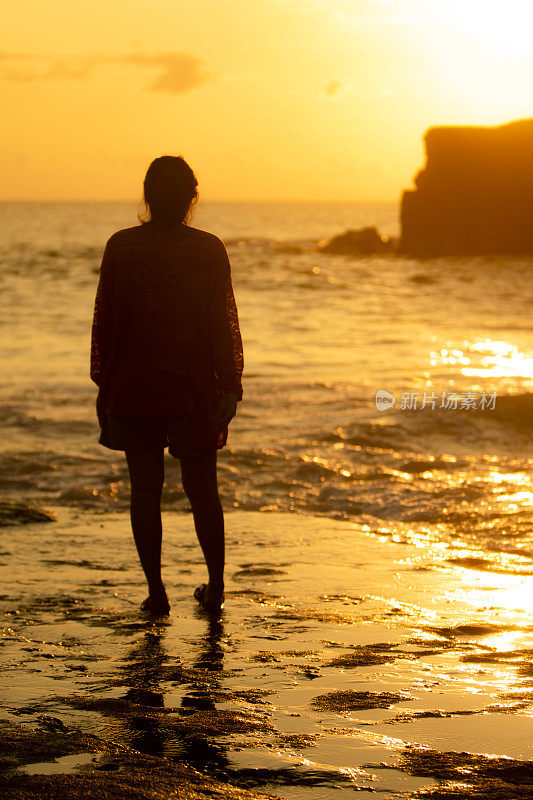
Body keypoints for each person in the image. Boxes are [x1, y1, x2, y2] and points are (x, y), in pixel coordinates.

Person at [90, 155, 244, 617]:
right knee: (203, 492)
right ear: (191, 198)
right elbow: (223, 323)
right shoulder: (206, 249)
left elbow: (107, 325)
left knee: (144, 492)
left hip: (135, 386)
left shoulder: (122, 247)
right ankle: (215, 588)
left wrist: (105, 383)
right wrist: (230, 386)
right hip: (192, 387)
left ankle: (157, 594)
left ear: (147, 196)